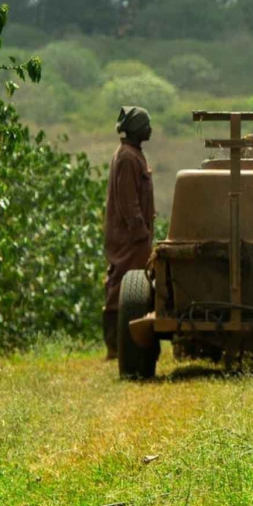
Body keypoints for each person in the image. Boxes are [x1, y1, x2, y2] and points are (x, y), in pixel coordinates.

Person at [103, 106, 156, 360]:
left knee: (131, 287)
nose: (150, 129)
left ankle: (128, 344)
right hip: (129, 238)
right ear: (136, 129)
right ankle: (116, 346)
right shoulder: (127, 157)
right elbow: (128, 201)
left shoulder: (132, 154)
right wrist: (140, 233)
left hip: (133, 237)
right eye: (146, 125)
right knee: (122, 288)